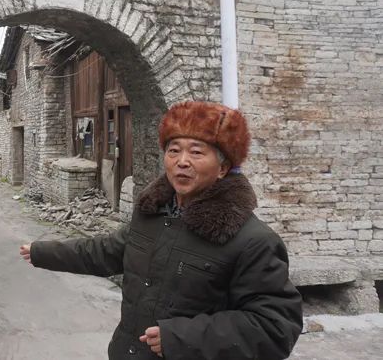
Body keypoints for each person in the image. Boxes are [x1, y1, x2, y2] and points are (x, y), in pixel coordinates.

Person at [20, 101, 302, 360]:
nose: (182, 161)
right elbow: (107, 251)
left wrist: (181, 338)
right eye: (174, 150)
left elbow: (275, 328)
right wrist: (42, 252)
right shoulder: (153, 215)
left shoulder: (252, 240)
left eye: (196, 152)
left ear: (223, 167)